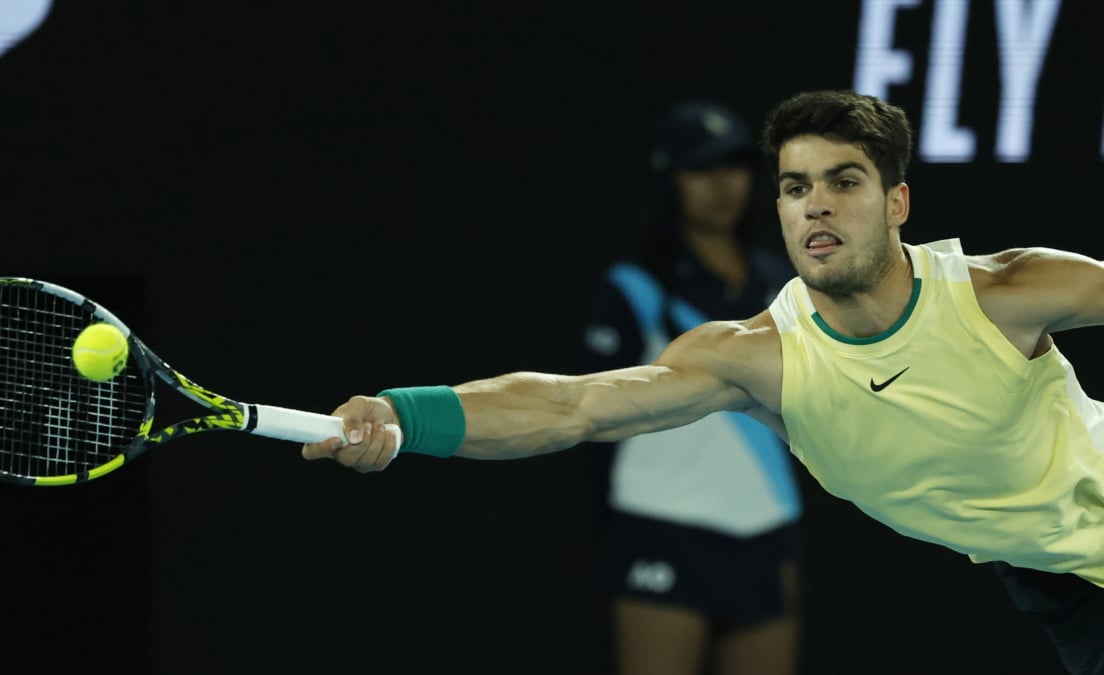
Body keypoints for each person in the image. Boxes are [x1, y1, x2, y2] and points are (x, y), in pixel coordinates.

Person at [301, 89, 1104, 675]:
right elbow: (569, 404)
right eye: (795, 187)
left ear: (897, 202)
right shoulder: (758, 358)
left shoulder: (1006, 291)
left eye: (844, 181)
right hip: (1054, 578)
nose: (815, 206)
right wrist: (402, 414)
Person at [581, 99, 804, 675]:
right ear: (669, 178)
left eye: (732, 164)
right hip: (660, 526)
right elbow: (589, 420)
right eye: (700, 168)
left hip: (765, 529)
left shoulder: (785, 284)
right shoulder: (633, 289)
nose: (721, 183)